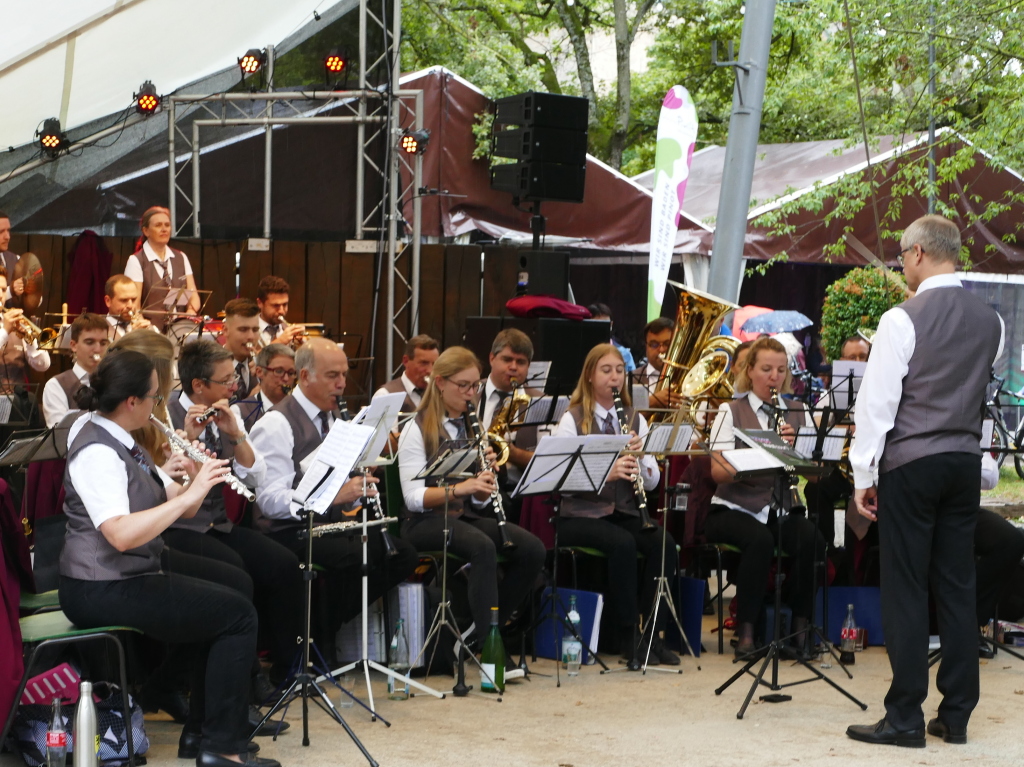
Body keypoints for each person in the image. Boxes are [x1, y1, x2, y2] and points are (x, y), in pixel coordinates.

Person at [56, 348, 279, 767]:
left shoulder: (125, 440)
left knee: (227, 597)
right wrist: (191, 494)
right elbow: (120, 534)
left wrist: (193, 471)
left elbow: (180, 503)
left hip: (127, 573)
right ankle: (222, 748)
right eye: (156, 398)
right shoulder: (97, 451)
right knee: (236, 616)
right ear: (132, 402)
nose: (160, 406)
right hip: (98, 586)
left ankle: (201, 736)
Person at [847, 215, 1003, 748]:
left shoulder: (901, 318)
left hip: (911, 464)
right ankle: (956, 714)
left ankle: (905, 717)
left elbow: (878, 405)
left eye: (900, 258)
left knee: (907, 588)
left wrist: (863, 474)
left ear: (916, 255)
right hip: (963, 462)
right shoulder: (993, 322)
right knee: (958, 587)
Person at [250, 339, 419, 633]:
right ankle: (313, 637)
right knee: (356, 557)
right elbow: (270, 500)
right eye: (332, 376)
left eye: (344, 374)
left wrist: (357, 485)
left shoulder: (335, 417)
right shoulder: (276, 423)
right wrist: (331, 496)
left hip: (327, 526)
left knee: (402, 555)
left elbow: (341, 489)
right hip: (287, 531)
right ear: (304, 376)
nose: (342, 384)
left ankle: (324, 627)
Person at [396, 346, 545, 669]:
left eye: (475, 385)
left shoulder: (470, 426)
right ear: (440, 383)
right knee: (482, 547)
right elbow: (412, 498)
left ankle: (481, 636)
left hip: (462, 516)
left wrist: (483, 479)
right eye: (463, 385)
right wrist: (461, 488)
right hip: (422, 522)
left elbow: (478, 501)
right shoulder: (415, 428)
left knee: (532, 549)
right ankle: (493, 654)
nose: (471, 393)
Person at [162, 339, 302, 682]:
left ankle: (286, 672)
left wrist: (236, 434)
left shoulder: (230, 409)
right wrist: (189, 438)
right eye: (226, 380)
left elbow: (255, 476)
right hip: (179, 528)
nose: (235, 386)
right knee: (236, 575)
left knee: (284, 564)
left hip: (217, 524)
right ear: (199, 385)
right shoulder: (167, 414)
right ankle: (236, 681)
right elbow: (167, 483)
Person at [553, 343, 680, 667]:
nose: (614, 378)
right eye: (606, 371)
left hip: (622, 511)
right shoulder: (572, 419)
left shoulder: (635, 419)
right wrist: (608, 473)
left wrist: (642, 461)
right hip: (579, 514)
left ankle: (654, 632)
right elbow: (561, 480)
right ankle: (627, 634)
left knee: (663, 544)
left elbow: (651, 482)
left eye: (619, 371)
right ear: (590, 376)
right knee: (622, 543)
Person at [705, 336, 822, 658]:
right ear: (750, 371)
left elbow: (813, 475)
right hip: (732, 507)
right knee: (757, 540)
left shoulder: (799, 412)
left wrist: (794, 450)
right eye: (767, 369)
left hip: (779, 509)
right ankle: (746, 635)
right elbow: (717, 473)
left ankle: (799, 631)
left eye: (781, 370)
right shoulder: (730, 411)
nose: (775, 377)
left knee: (811, 537)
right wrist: (760, 453)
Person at [124, 206, 201, 319]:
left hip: (179, 329)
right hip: (150, 331)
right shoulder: (136, 261)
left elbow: (193, 295)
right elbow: (134, 305)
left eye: (167, 225)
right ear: (146, 231)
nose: (164, 229)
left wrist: (189, 312)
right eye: (158, 225)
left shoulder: (181, 257)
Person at [41, 313, 110, 427]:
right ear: (73, 345)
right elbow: (60, 434)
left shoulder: (114, 381)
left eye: (103, 343)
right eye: (90, 342)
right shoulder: (56, 385)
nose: (98, 349)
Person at [0, 266, 50, 390]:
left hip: (18, 402)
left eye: (3, 289)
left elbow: (43, 365)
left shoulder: (14, 321)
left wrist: (30, 339)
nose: (1, 295)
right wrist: (5, 331)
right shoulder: (7, 326)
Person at [372, 334, 439, 413]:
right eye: (424, 363)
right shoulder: (386, 395)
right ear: (406, 361)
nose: (430, 371)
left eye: (435, 364)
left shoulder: (439, 394)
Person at [631, 317, 681, 410]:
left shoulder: (687, 376)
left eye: (667, 344)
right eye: (654, 344)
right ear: (646, 346)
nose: (661, 350)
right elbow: (631, 419)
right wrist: (655, 401)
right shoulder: (636, 379)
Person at [221, 298, 262, 401]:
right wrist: (249, 403)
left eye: (255, 330)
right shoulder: (211, 368)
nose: (251, 336)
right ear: (225, 330)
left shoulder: (262, 366)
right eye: (243, 330)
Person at [247, 344, 296, 425]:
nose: (286, 379)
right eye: (279, 371)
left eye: (291, 373)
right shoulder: (240, 411)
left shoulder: (299, 411)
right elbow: (237, 438)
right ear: (259, 372)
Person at [587, 302, 636, 372]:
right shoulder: (578, 352)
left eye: (605, 324)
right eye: (597, 325)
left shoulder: (624, 353)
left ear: (611, 325)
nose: (600, 330)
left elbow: (631, 380)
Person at [256, 276, 302, 349]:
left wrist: (303, 347)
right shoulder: (248, 331)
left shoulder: (288, 329)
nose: (281, 311)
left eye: (285, 304)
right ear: (260, 303)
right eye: (276, 305)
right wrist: (280, 342)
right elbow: (249, 359)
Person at [104, 274, 154, 340]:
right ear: (108, 301)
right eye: (124, 300)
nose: (130, 306)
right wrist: (132, 337)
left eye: (133, 300)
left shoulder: (149, 328)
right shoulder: (99, 329)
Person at [0, 211, 26, 307]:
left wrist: (32, 292)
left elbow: (37, 301)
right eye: (1, 232)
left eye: (8, 231)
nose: (7, 237)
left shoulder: (15, 259)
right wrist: (10, 291)